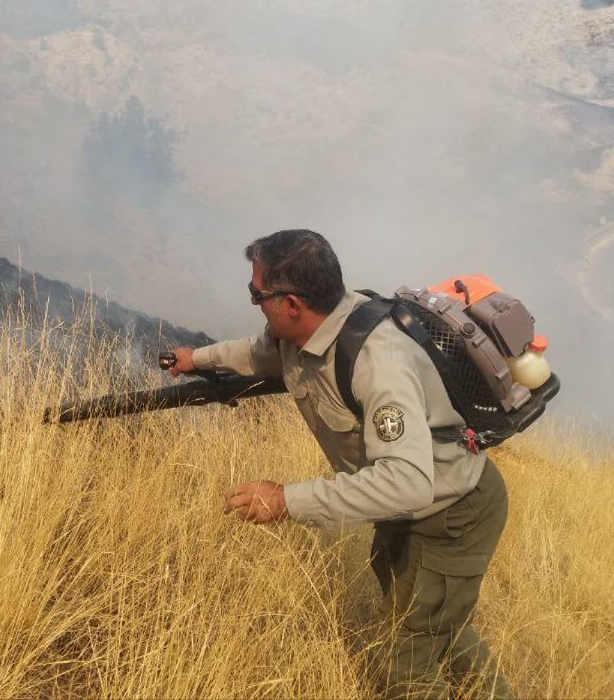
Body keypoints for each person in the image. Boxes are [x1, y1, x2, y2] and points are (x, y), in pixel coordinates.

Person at [168, 229, 514, 700]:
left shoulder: (377, 359)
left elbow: (410, 482)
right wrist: (197, 358)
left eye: (257, 293)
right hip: (414, 515)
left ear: (291, 303)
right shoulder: (306, 328)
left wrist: (286, 500)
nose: (253, 302)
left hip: (451, 516)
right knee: (437, 625)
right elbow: (257, 353)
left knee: (401, 662)